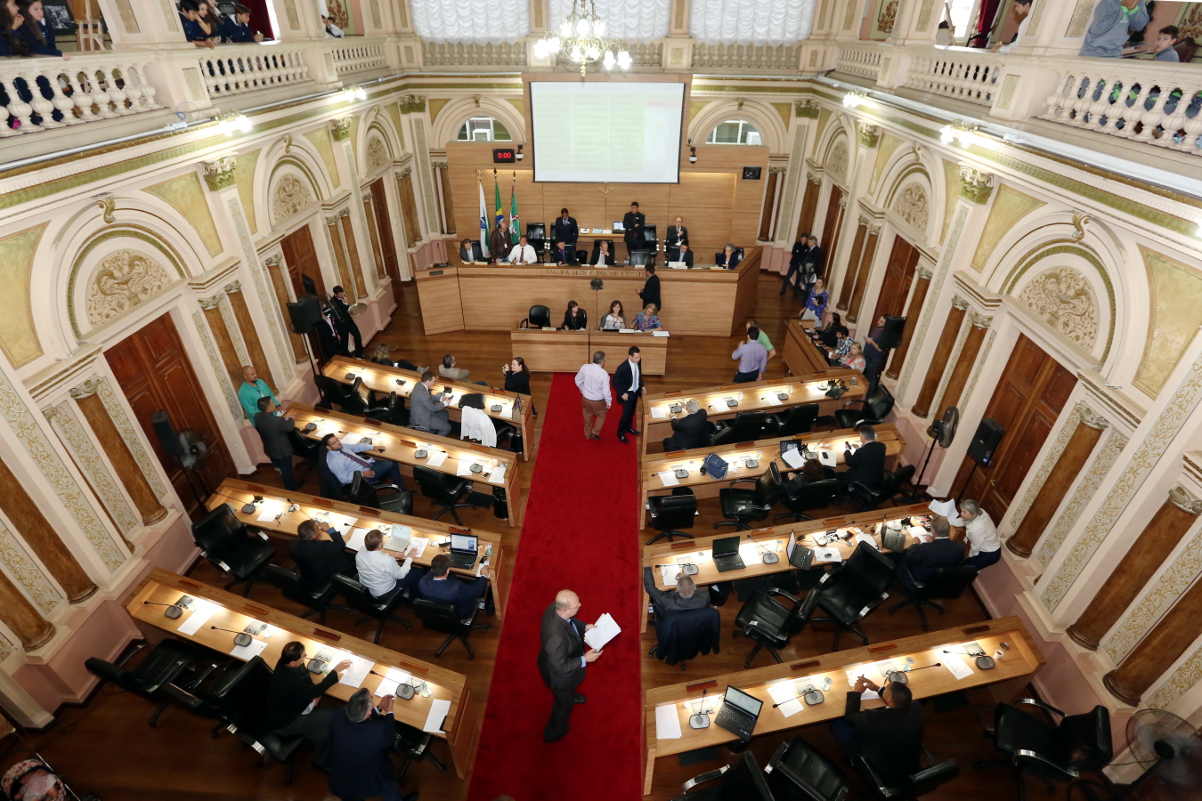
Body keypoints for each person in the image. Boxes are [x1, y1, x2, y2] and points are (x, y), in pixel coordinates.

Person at [267, 642, 351, 769]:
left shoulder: (285, 662)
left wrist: (312, 692)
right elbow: (316, 691)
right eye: (303, 655)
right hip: (288, 722)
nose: (306, 656)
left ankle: (322, 761)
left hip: (281, 711)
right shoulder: (291, 681)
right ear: (293, 663)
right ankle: (327, 757)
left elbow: (306, 679)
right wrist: (335, 671)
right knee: (336, 713)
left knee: (322, 733)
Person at [327, 688, 418, 801]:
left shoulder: (339, 714)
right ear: (369, 712)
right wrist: (389, 711)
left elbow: (359, 720)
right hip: (372, 780)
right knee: (389, 789)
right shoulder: (379, 731)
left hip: (341, 780)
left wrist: (379, 708)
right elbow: (389, 736)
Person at [832, 676, 925, 787]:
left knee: (838, 723)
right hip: (909, 761)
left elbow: (851, 715)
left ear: (890, 698)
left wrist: (857, 692)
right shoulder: (917, 707)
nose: (884, 687)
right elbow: (897, 701)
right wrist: (877, 688)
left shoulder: (875, 719)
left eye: (886, 688)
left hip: (884, 767)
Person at [537, 589, 601, 743]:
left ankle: (572, 695)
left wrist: (585, 627)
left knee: (569, 693)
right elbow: (559, 667)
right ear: (565, 609)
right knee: (563, 706)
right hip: (560, 677)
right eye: (576, 605)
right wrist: (584, 659)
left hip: (562, 658)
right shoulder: (556, 637)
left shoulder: (556, 608)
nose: (580, 605)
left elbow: (571, 622)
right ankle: (554, 732)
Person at [894, 515, 965, 592]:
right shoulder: (960, 548)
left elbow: (909, 558)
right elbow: (942, 554)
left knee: (897, 555)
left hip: (920, 579)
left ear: (933, 531)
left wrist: (914, 544)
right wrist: (933, 542)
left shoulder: (925, 548)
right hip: (940, 580)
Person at [290, 519, 356, 592]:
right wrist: (329, 529)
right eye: (318, 529)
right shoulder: (322, 546)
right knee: (355, 558)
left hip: (309, 575)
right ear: (313, 536)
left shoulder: (292, 544)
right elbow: (341, 544)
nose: (320, 530)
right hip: (326, 578)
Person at [321, 433, 406, 490]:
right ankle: (401, 489)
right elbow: (344, 479)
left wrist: (372, 447)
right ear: (328, 447)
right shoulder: (334, 462)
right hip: (363, 476)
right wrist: (362, 474)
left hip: (367, 464)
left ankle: (400, 488)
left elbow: (356, 447)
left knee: (392, 463)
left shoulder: (340, 446)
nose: (338, 443)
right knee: (390, 464)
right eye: (334, 443)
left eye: (337, 440)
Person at [355, 529, 422, 600]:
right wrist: (410, 557)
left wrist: (388, 555)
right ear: (380, 544)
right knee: (419, 572)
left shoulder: (360, 552)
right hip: (383, 593)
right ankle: (412, 600)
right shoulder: (387, 560)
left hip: (367, 588)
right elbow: (401, 575)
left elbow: (374, 559)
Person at [416, 553, 490, 617]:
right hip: (459, 613)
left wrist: (437, 565)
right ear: (448, 570)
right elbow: (477, 591)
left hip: (435, 611)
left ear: (432, 569)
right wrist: (483, 576)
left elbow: (430, 572)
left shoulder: (422, 582)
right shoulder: (457, 587)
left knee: (453, 577)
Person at [254, 397, 300, 491]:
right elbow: (290, 427)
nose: (274, 404)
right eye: (272, 403)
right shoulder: (276, 421)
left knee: (281, 467)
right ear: (269, 408)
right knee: (287, 470)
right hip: (282, 451)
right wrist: (291, 418)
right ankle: (291, 488)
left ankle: (288, 479)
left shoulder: (257, 417)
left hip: (270, 449)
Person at [1079, 0, 1148, 59]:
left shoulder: (1139, 2)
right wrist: (1124, 8)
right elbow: (1099, 29)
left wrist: (1133, 10)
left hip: (1115, 54)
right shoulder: (1108, 2)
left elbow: (1139, 26)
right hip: (1093, 53)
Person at [642, 567, 711, 618]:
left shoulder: (668, 601)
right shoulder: (705, 596)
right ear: (695, 588)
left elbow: (650, 588)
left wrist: (647, 568)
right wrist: (685, 578)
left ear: (677, 590)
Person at [838, 425, 887, 493]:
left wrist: (847, 450)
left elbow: (849, 462)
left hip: (864, 481)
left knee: (843, 476)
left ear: (863, 437)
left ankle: (838, 496)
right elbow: (870, 455)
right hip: (877, 478)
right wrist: (860, 448)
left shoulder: (861, 452)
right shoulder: (882, 446)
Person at [574, 351, 610, 441]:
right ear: (602, 361)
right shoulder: (603, 374)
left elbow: (577, 380)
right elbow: (606, 391)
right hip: (598, 401)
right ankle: (595, 432)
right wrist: (608, 401)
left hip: (585, 399)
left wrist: (582, 389)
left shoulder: (584, 367)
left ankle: (587, 434)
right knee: (602, 415)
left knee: (587, 415)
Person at [612, 346, 644, 445]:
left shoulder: (638, 362)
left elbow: (639, 375)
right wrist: (622, 393)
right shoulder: (623, 368)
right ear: (630, 356)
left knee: (631, 412)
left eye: (639, 357)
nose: (638, 359)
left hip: (635, 392)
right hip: (627, 394)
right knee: (626, 414)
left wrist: (642, 385)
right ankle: (620, 432)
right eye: (636, 357)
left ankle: (629, 427)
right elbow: (614, 382)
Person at [960, 499, 1002, 570]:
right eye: (961, 511)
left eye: (964, 512)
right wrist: (949, 521)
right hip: (990, 547)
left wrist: (970, 558)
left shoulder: (975, 529)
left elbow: (975, 548)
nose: (961, 514)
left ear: (973, 513)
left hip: (989, 554)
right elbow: (964, 520)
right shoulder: (980, 511)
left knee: (964, 569)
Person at [411, 370, 453, 436]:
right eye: (433, 381)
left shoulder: (419, 384)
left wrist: (441, 398)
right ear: (428, 381)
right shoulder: (423, 394)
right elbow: (433, 408)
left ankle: (438, 428)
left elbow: (429, 396)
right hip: (423, 420)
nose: (434, 383)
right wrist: (445, 403)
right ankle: (435, 440)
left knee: (445, 413)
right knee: (448, 428)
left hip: (423, 413)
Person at [328, 285, 362, 357]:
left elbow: (349, 311)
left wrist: (346, 304)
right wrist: (346, 304)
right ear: (335, 294)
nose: (342, 295)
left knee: (357, 336)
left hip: (349, 322)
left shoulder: (343, 297)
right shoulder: (333, 302)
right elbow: (343, 312)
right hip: (342, 325)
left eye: (342, 293)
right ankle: (347, 357)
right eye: (340, 294)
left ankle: (359, 354)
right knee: (344, 342)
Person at [801, 235, 824, 302]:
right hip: (806, 271)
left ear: (813, 243)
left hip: (811, 273)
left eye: (808, 242)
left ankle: (808, 301)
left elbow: (814, 262)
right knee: (806, 286)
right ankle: (805, 300)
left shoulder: (817, 250)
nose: (807, 244)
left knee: (810, 288)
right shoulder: (810, 249)